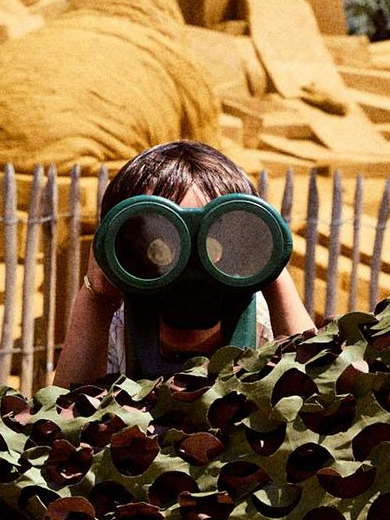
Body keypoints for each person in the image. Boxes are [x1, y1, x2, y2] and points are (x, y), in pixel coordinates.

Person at [55, 140, 315, 386]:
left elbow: (319, 395)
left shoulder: (264, 323)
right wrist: (97, 300)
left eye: (213, 246)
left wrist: (272, 270)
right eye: (159, 249)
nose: (191, 269)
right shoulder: (114, 327)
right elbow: (63, 418)